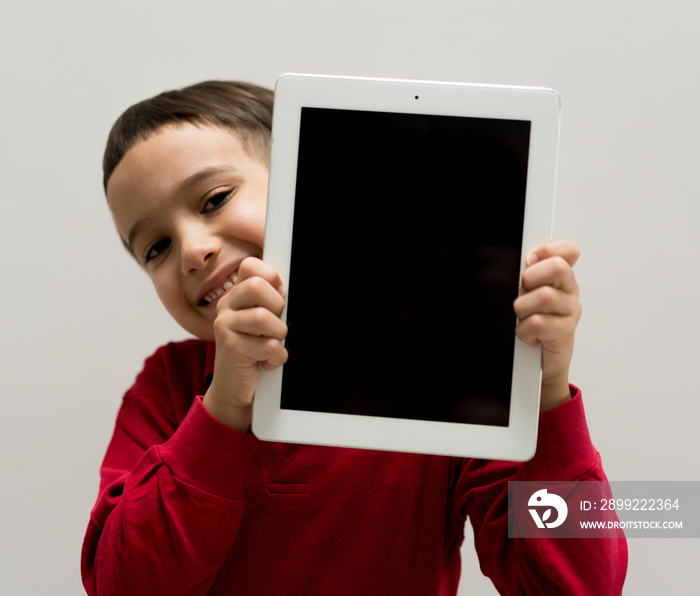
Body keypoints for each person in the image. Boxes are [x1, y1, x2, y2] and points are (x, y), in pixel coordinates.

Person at [81, 80, 627, 595]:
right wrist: (223, 409)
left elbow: (578, 584)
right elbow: (122, 583)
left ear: (309, 184)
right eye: (155, 248)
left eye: (214, 198)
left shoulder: (442, 374)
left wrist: (547, 391)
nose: (192, 249)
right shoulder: (169, 388)